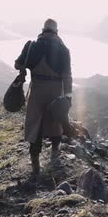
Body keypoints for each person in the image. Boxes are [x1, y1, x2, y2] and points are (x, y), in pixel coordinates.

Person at [14, 18, 72, 178]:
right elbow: (67, 76)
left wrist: (25, 68)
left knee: (35, 128)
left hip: (37, 91)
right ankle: (54, 157)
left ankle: (35, 167)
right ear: (56, 32)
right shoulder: (63, 49)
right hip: (55, 92)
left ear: (43, 30)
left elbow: (18, 64)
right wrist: (68, 97)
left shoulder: (32, 46)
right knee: (56, 124)